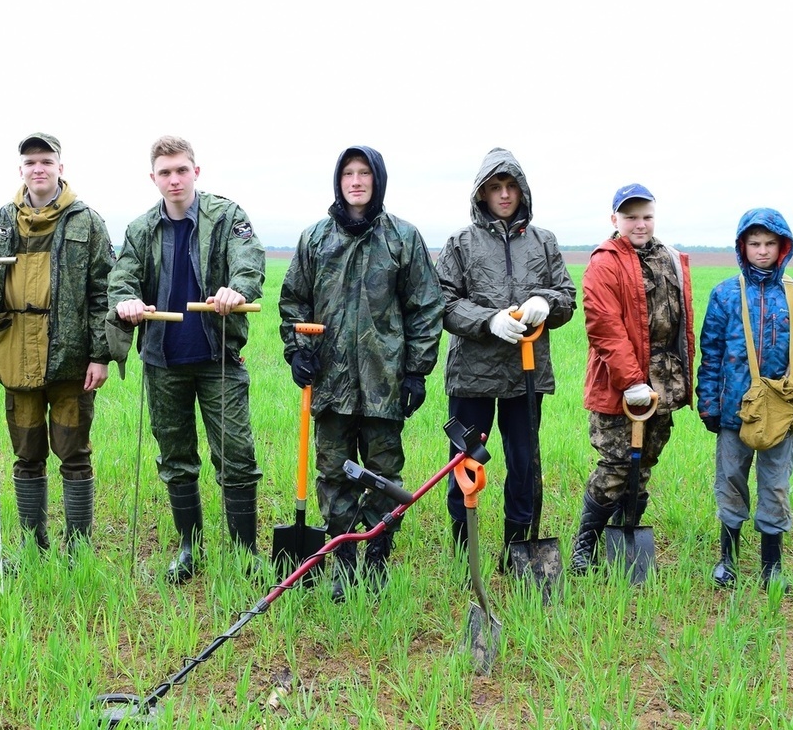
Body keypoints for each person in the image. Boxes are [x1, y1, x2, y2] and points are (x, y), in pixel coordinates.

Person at [278, 144, 443, 602]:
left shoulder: (402, 239)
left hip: (384, 383)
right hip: (329, 383)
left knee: (384, 474)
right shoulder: (315, 239)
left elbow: (426, 307)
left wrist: (415, 372)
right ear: (339, 180)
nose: (355, 181)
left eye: (364, 174)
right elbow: (294, 302)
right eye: (348, 173)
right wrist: (298, 353)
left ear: (377, 180)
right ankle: (344, 565)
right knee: (334, 474)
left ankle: (375, 562)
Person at [108, 135, 265, 583]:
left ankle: (244, 553)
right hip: (163, 361)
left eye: (181, 170)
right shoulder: (140, 230)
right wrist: (127, 303)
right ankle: (189, 550)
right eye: (165, 172)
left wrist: (238, 290)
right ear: (153, 178)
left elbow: (248, 263)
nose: (174, 179)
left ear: (196, 171)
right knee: (175, 458)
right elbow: (121, 280)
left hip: (218, 355)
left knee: (236, 454)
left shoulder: (228, 216)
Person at [0, 133, 115, 559]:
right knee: (27, 456)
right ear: (22, 170)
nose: (39, 168)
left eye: (46, 161)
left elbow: (102, 292)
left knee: (74, 455)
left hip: (71, 361)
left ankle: (78, 547)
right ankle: (33, 546)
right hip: (17, 357)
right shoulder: (1, 221)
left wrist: (100, 355)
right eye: (31, 162)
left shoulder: (86, 221)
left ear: (60, 168)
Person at [436, 148, 575, 569]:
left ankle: (518, 550)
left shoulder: (544, 241)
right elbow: (443, 303)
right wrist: (489, 320)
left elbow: (568, 298)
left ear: (523, 191)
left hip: (526, 376)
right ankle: (467, 550)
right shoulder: (460, 243)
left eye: (510, 185)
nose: (503, 194)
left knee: (524, 463)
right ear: (481, 192)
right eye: (495, 186)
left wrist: (545, 301)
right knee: (465, 464)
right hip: (472, 377)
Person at [697, 208, 793, 593]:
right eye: (755, 243)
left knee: (775, 484)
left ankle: (772, 566)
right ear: (743, 247)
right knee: (731, 482)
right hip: (734, 410)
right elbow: (711, 353)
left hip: (784, 412)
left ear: (783, 247)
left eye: (770, 243)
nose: (763, 251)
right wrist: (709, 405)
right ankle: (728, 561)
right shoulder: (724, 293)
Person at [568, 183, 694, 575]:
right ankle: (584, 546)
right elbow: (604, 326)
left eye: (646, 216)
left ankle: (624, 542)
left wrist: (683, 381)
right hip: (619, 381)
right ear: (615, 220)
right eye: (631, 217)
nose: (640, 224)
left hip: (663, 383)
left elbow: (681, 325)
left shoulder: (671, 258)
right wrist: (631, 381)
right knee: (616, 465)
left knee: (644, 466)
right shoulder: (604, 262)